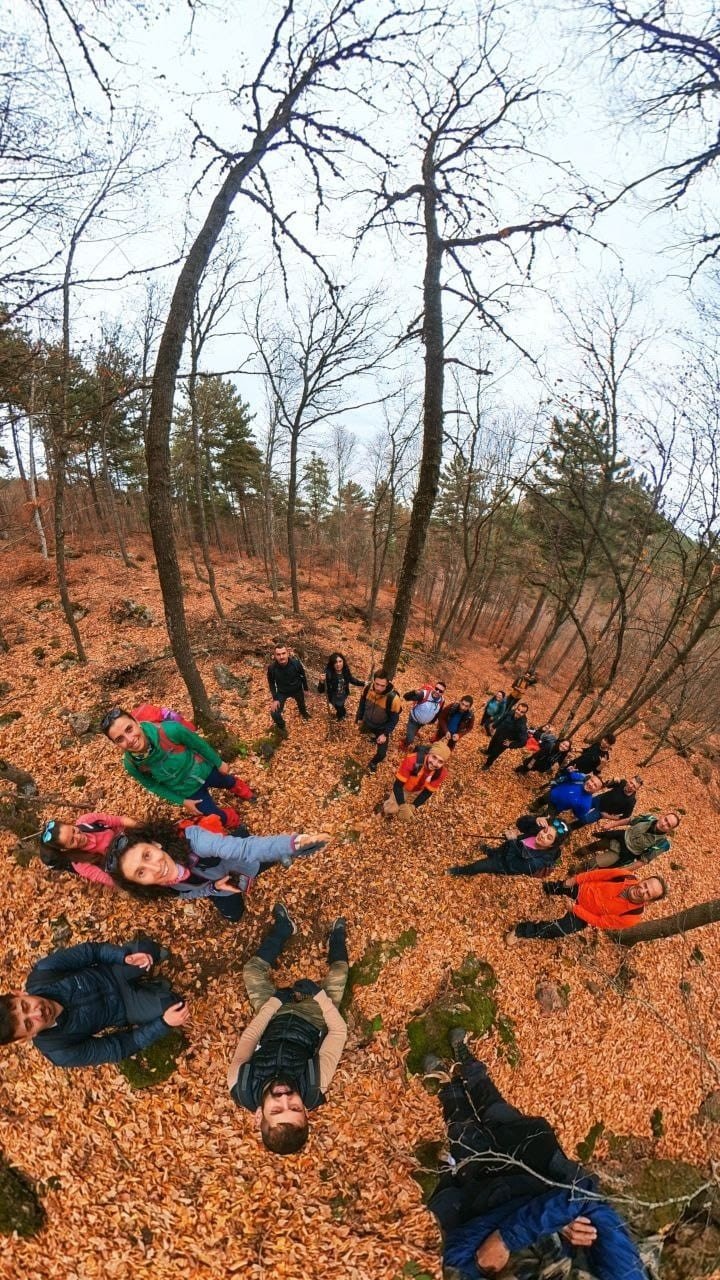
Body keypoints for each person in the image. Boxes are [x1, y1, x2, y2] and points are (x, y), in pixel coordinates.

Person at [422, 1031, 647, 1280]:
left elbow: (455, 1257)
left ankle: (446, 1083)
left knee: (463, 1133)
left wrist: (545, 1220)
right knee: (499, 1113)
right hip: (538, 1171)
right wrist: (508, 1236)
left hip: (487, 1194)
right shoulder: (628, 1275)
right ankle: (468, 1063)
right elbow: (585, 1195)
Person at [227, 905, 349, 1154]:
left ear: (259, 1114)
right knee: (339, 972)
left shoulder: (241, 1084)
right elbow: (338, 1032)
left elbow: (250, 1036)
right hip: (313, 1019)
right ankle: (336, 938)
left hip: (272, 1018)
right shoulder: (315, 1086)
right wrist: (319, 995)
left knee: (251, 971)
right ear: (306, 1111)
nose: (285, 1098)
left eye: (276, 1110)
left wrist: (275, 1003)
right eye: (294, 1108)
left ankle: (284, 928)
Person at [0, 939, 189, 1068]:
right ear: (24, 1038)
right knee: (174, 1005)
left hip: (112, 971)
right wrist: (162, 1024)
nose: (37, 1013)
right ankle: (154, 989)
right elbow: (118, 1047)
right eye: (29, 1023)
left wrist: (123, 957)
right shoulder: (59, 1051)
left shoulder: (44, 972)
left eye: (25, 1006)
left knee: (148, 949)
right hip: (125, 1008)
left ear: (19, 993)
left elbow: (91, 952)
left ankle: (146, 972)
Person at [105, 823, 330, 923]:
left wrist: (292, 844)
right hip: (222, 887)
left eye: (147, 855)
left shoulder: (195, 841)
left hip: (241, 863)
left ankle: (278, 855)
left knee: (258, 862)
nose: (156, 868)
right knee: (235, 916)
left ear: (155, 844)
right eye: (141, 873)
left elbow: (245, 849)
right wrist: (214, 888)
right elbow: (183, 895)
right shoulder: (161, 888)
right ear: (140, 885)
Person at [101, 708, 256, 824]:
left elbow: (199, 745)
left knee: (227, 781)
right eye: (120, 739)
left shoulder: (170, 730)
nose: (129, 739)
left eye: (129, 729)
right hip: (186, 790)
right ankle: (231, 819)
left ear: (136, 722)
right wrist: (182, 801)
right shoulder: (131, 764)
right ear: (116, 744)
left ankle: (243, 790)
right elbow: (153, 786)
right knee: (213, 816)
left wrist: (218, 762)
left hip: (203, 769)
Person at [505, 868, 668, 943]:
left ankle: (522, 931)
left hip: (585, 914)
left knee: (557, 930)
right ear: (643, 880)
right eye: (645, 885)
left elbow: (601, 921)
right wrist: (575, 880)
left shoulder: (632, 917)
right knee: (559, 886)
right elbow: (598, 874)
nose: (642, 890)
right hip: (583, 889)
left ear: (649, 901)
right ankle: (547, 888)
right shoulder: (625, 875)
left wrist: (575, 909)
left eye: (648, 893)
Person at [39, 811, 142, 886]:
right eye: (72, 841)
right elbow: (111, 880)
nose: (79, 837)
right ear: (65, 849)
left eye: (74, 830)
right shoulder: (80, 864)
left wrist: (141, 828)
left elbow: (120, 820)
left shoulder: (87, 821)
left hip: (131, 839)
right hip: (127, 865)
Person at [447, 817, 568, 878]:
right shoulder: (537, 832)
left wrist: (513, 841)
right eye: (545, 831)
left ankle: (460, 871)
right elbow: (520, 823)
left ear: (552, 845)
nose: (542, 835)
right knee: (494, 851)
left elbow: (511, 865)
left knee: (478, 866)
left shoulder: (538, 862)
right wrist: (534, 819)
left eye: (549, 837)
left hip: (503, 865)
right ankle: (490, 851)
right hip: (504, 849)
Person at [575, 811, 680, 870]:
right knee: (595, 845)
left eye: (668, 825)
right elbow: (629, 821)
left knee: (594, 863)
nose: (664, 824)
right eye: (665, 819)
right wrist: (611, 825)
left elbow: (643, 861)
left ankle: (575, 870)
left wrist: (624, 871)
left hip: (624, 853)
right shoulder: (649, 817)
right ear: (662, 816)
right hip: (618, 837)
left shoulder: (661, 843)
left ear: (670, 830)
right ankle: (578, 853)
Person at [382, 741, 451, 820]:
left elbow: (427, 793)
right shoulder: (413, 761)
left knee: (408, 811)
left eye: (440, 762)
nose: (435, 763)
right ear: (428, 754)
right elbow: (397, 786)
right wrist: (402, 806)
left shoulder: (441, 773)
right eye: (434, 757)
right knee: (391, 809)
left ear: (443, 764)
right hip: (404, 788)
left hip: (418, 791)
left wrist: (414, 806)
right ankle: (384, 812)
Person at [355, 669, 402, 772]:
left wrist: (385, 734)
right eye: (377, 684)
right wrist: (359, 717)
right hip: (367, 721)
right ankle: (373, 738)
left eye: (382, 685)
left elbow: (394, 719)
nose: (379, 688)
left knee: (382, 754)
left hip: (381, 727)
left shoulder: (393, 699)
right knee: (367, 733)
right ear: (373, 681)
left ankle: (373, 762)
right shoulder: (367, 688)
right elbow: (362, 704)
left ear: (388, 683)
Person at [267, 643, 310, 733]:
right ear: (274, 656)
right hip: (282, 692)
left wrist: (305, 689)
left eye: (283, 653)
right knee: (274, 713)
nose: (281, 656)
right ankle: (282, 726)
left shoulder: (296, 664)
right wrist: (275, 699)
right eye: (278, 654)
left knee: (301, 703)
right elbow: (271, 683)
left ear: (288, 653)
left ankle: (304, 713)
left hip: (297, 689)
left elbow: (303, 676)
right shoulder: (272, 668)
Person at [482, 702, 529, 770]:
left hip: (504, 742)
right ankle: (488, 752)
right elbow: (502, 718)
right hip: (498, 733)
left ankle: (488, 764)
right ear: (516, 708)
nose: (518, 712)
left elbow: (523, 742)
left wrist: (511, 744)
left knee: (495, 753)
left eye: (522, 712)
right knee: (492, 744)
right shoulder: (511, 712)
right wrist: (494, 726)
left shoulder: (522, 726)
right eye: (518, 709)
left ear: (524, 713)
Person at [320, 652, 364, 721]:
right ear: (332, 664)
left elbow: (352, 679)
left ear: (343, 661)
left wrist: (363, 683)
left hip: (343, 695)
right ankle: (341, 716)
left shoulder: (345, 670)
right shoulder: (328, 674)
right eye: (335, 662)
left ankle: (342, 714)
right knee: (339, 708)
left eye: (340, 661)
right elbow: (320, 690)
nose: (338, 664)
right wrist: (321, 681)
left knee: (341, 706)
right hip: (334, 697)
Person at [402, 679, 447, 746]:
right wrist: (414, 692)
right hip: (414, 719)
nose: (437, 691)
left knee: (417, 728)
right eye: (436, 688)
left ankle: (414, 731)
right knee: (410, 739)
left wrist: (432, 720)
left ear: (442, 693)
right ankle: (404, 744)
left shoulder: (442, 700)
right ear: (434, 687)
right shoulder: (424, 694)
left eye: (440, 691)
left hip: (423, 722)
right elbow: (406, 697)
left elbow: (439, 711)